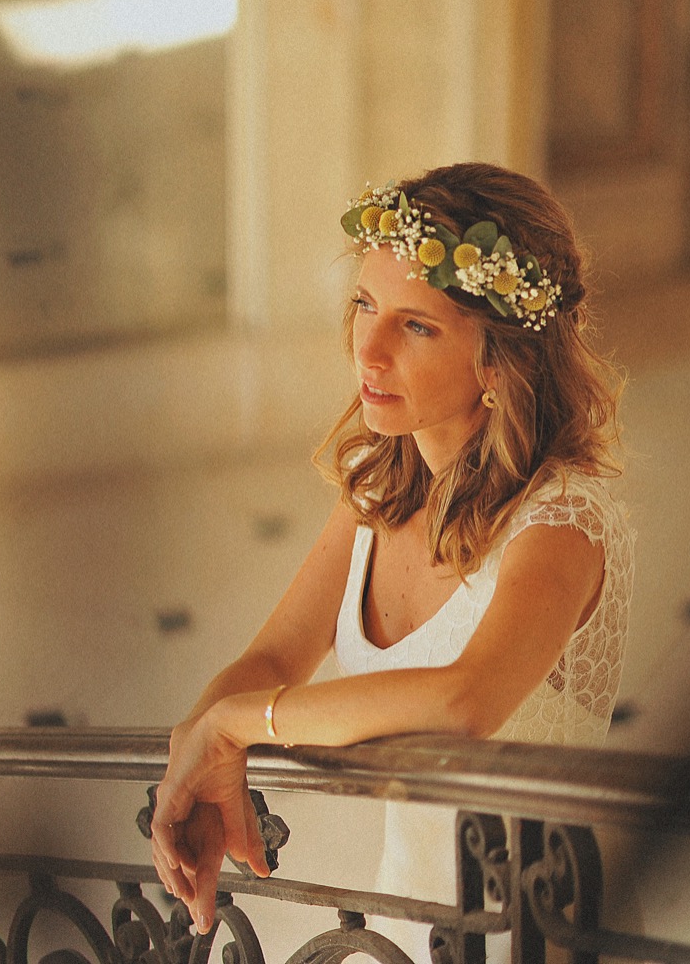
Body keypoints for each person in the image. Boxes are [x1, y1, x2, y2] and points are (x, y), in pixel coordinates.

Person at [148, 162, 633, 954]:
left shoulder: (561, 523)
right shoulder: (379, 492)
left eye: (415, 326)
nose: (367, 350)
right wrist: (194, 747)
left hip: (534, 923)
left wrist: (238, 725)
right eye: (365, 305)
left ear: (497, 360)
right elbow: (273, 654)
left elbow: (463, 700)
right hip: (408, 912)